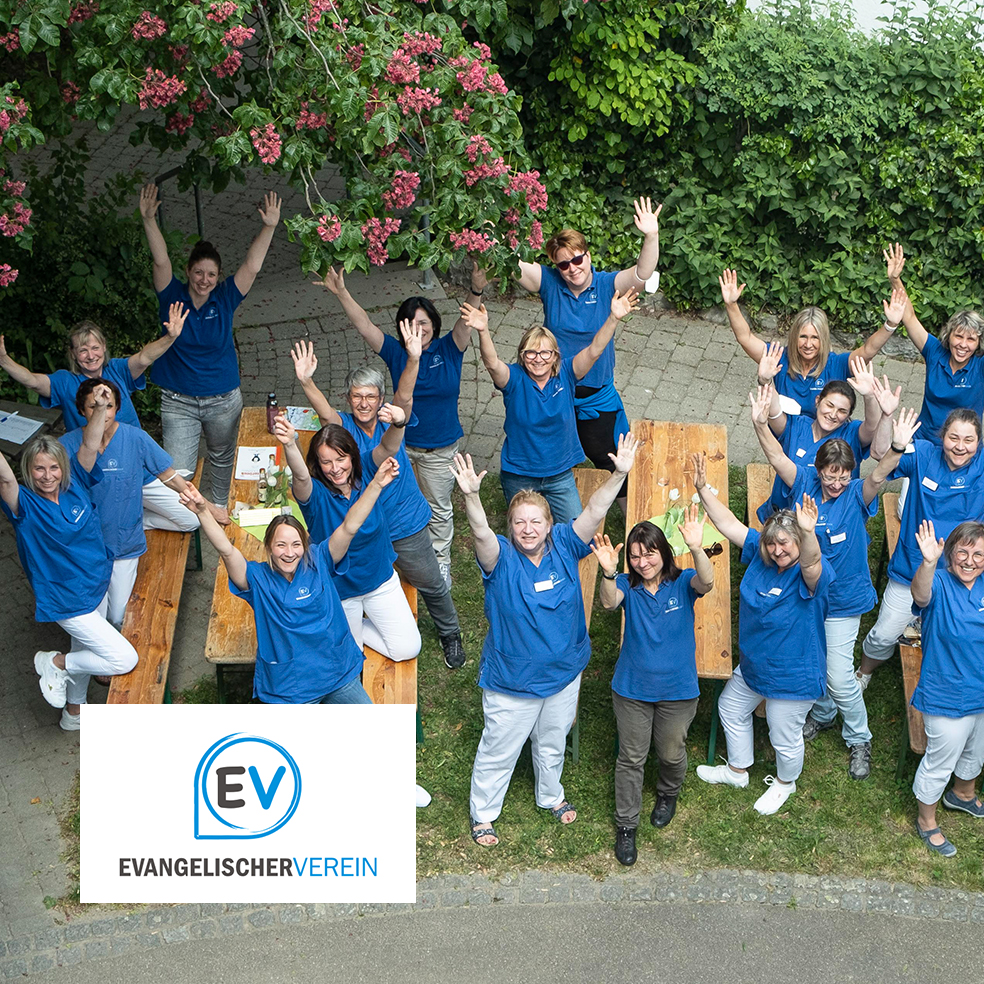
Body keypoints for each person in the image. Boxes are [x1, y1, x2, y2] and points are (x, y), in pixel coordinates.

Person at [451, 433, 640, 848]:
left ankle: (550, 794)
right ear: (511, 527)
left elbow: (595, 509)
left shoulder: (566, 545)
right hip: (512, 682)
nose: (528, 529)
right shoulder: (499, 558)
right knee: (500, 749)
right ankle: (483, 813)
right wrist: (471, 497)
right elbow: (481, 533)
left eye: (536, 521)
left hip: (563, 674)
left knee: (552, 741)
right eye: (520, 522)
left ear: (549, 524)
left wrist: (619, 474)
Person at [751, 382, 923, 778]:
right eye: (831, 474)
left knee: (839, 675)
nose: (837, 482)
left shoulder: (858, 495)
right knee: (820, 663)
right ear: (818, 470)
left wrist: (896, 443)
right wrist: (760, 422)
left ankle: (860, 737)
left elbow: (880, 473)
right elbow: (775, 454)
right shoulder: (801, 483)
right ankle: (826, 713)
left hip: (843, 600)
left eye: (844, 475)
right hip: (805, 594)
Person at [291, 329, 465, 668]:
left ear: (381, 398)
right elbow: (325, 413)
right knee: (359, 581)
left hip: (402, 522)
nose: (364, 403)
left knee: (429, 580)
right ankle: (359, 625)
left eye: (370, 396)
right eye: (356, 397)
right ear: (349, 398)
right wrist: (307, 382)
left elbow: (405, 395)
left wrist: (413, 359)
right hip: (363, 527)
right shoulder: (342, 428)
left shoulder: (391, 420)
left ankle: (450, 632)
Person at [313, 262, 488, 586]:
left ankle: (440, 561)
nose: (418, 329)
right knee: (393, 504)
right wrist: (341, 292)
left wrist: (476, 289)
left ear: (434, 324)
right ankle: (391, 560)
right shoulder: (396, 353)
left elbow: (468, 322)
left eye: (424, 323)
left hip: (439, 449)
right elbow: (364, 324)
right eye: (411, 324)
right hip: (400, 447)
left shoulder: (451, 348)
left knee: (438, 508)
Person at [179, 464, 396, 704]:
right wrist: (202, 511)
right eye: (281, 545)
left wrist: (375, 485)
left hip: (336, 672)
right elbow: (227, 551)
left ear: (305, 545)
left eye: (296, 544)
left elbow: (350, 526)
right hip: (291, 687)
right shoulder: (257, 579)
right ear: (269, 547)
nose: (289, 553)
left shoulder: (320, 559)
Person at [692, 452, 831, 815]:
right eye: (773, 542)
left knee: (783, 735)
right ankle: (738, 770)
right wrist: (703, 488)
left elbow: (813, 563)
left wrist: (809, 532)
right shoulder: (761, 553)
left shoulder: (809, 572)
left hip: (793, 677)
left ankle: (786, 783)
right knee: (730, 708)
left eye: (786, 543)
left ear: (799, 543)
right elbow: (727, 523)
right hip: (755, 667)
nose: (777, 549)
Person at [139, 182, 282, 521]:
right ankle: (185, 519)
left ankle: (220, 508)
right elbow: (160, 260)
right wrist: (148, 220)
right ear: (188, 271)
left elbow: (252, 266)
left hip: (223, 399)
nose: (204, 279)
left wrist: (270, 225)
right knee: (179, 471)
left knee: (222, 457)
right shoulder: (171, 295)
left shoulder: (225, 297)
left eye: (211, 275)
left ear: (219, 278)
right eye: (199, 272)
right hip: (178, 401)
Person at [0, 305, 203, 530]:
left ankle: (137, 520)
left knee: (192, 519)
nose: (91, 355)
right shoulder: (65, 381)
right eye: (83, 350)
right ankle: (127, 520)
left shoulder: (117, 370)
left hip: (137, 469)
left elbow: (145, 357)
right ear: (74, 354)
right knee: (96, 525)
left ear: (104, 347)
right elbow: (32, 381)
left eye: (95, 348)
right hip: (97, 479)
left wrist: (170, 336)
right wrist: (3, 359)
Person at [591, 504, 714, 866]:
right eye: (635, 556)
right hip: (631, 690)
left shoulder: (682, 582)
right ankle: (626, 826)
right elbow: (608, 603)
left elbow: (706, 582)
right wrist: (609, 573)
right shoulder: (627, 586)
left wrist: (695, 547)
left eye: (649, 553)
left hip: (678, 691)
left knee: (671, 753)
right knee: (631, 758)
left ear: (663, 552)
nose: (643, 562)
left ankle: (667, 793)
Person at [514, 198, 661, 495]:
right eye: (564, 264)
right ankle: (542, 512)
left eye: (577, 259)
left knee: (608, 458)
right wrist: (497, 232)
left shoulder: (608, 284)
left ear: (588, 256)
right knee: (548, 456)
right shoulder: (550, 283)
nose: (572, 268)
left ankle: (632, 519)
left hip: (595, 395)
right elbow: (512, 264)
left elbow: (643, 275)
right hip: (555, 391)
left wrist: (651, 235)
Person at [459, 287, 639, 523]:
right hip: (520, 475)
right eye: (531, 353)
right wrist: (483, 331)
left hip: (559, 475)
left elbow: (594, 350)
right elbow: (492, 364)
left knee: (576, 536)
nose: (538, 358)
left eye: (545, 353)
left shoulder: (567, 373)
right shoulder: (513, 379)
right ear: (522, 356)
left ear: (555, 355)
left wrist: (613, 318)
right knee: (525, 533)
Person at [0, 426, 138, 730]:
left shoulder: (75, 484)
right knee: (123, 659)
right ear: (28, 470)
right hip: (66, 599)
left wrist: (101, 404)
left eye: (53, 467)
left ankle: (74, 713)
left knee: (85, 650)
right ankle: (54, 663)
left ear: (63, 468)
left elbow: (90, 444)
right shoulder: (23, 504)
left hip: (96, 582)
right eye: (38, 468)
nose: (47, 475)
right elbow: (5, 477)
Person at [58, 378, 220, 630]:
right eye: (94, 406)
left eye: (109, 406)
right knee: (93, 617)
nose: (103, 411)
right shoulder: (65, 445)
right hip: (88, 545)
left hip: (124, 540)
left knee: (118, 615)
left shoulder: (135, 438)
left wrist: (206, 507)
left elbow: (170, 477)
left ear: (118, 408)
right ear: (81, 410)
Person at [276, 414, 421, 663]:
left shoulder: (366, 471)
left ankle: (356, 628)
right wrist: (290, 443)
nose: (335, 468)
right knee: (351, 658)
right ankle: (344, 631)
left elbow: (388, 447)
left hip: (379, 579)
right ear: (318, 464)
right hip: (339, 590)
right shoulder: (316, 494)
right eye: (326, 462)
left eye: (341, 459)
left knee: (408, 648)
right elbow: (300, 477)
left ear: (352, 456)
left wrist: (399, 423)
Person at [858, 408, 984, 690]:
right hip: (911, 568)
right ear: (943, 437)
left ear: (979, 442)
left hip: (964, 575)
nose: (960, 446)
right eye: (954, 438)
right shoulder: (925, 454)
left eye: (969, 440)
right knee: (883, 635)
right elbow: (880, 456)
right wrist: (893, 429)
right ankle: (864, 673)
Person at [719, 268, 898, 417]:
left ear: (824, 339)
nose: (808, 344)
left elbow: (868, 349)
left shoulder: (836, 365)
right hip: (786, 439)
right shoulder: (778, 358)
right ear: (794, 336)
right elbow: (745, 338)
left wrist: (890, 325)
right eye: (803, 337)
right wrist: (731, 305)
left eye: (815, 338)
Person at [909, 520, 984, 857]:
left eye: (979, 554)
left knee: (976, 751)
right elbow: (919, 595)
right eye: (963, 552)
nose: (970, 561)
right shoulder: (938, 581)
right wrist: (928, 562)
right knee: (941, 760)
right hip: (947, 695)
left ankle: (963, 795)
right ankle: (926, 820)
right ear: (949, 554)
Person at [754, 344, 891, 520]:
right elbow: (774, 411)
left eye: (842, 411)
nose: (833, 415)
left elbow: (872, 426)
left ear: (849, 415)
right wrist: (765, 381)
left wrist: (870, 396)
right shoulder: (798, 425)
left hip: (832, 520)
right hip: (784, 515)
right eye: (830, 405)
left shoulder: (851, 433)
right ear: (818, 400)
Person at [884, 243, 984, 443]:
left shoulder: (980, 365)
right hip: (925, 439)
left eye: (971, 339)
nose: (963, 344)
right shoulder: (934, 351)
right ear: (949, 335)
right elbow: (910, 316)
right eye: (959, 336)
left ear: (978, 342)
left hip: (963, 445)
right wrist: (894, 279)